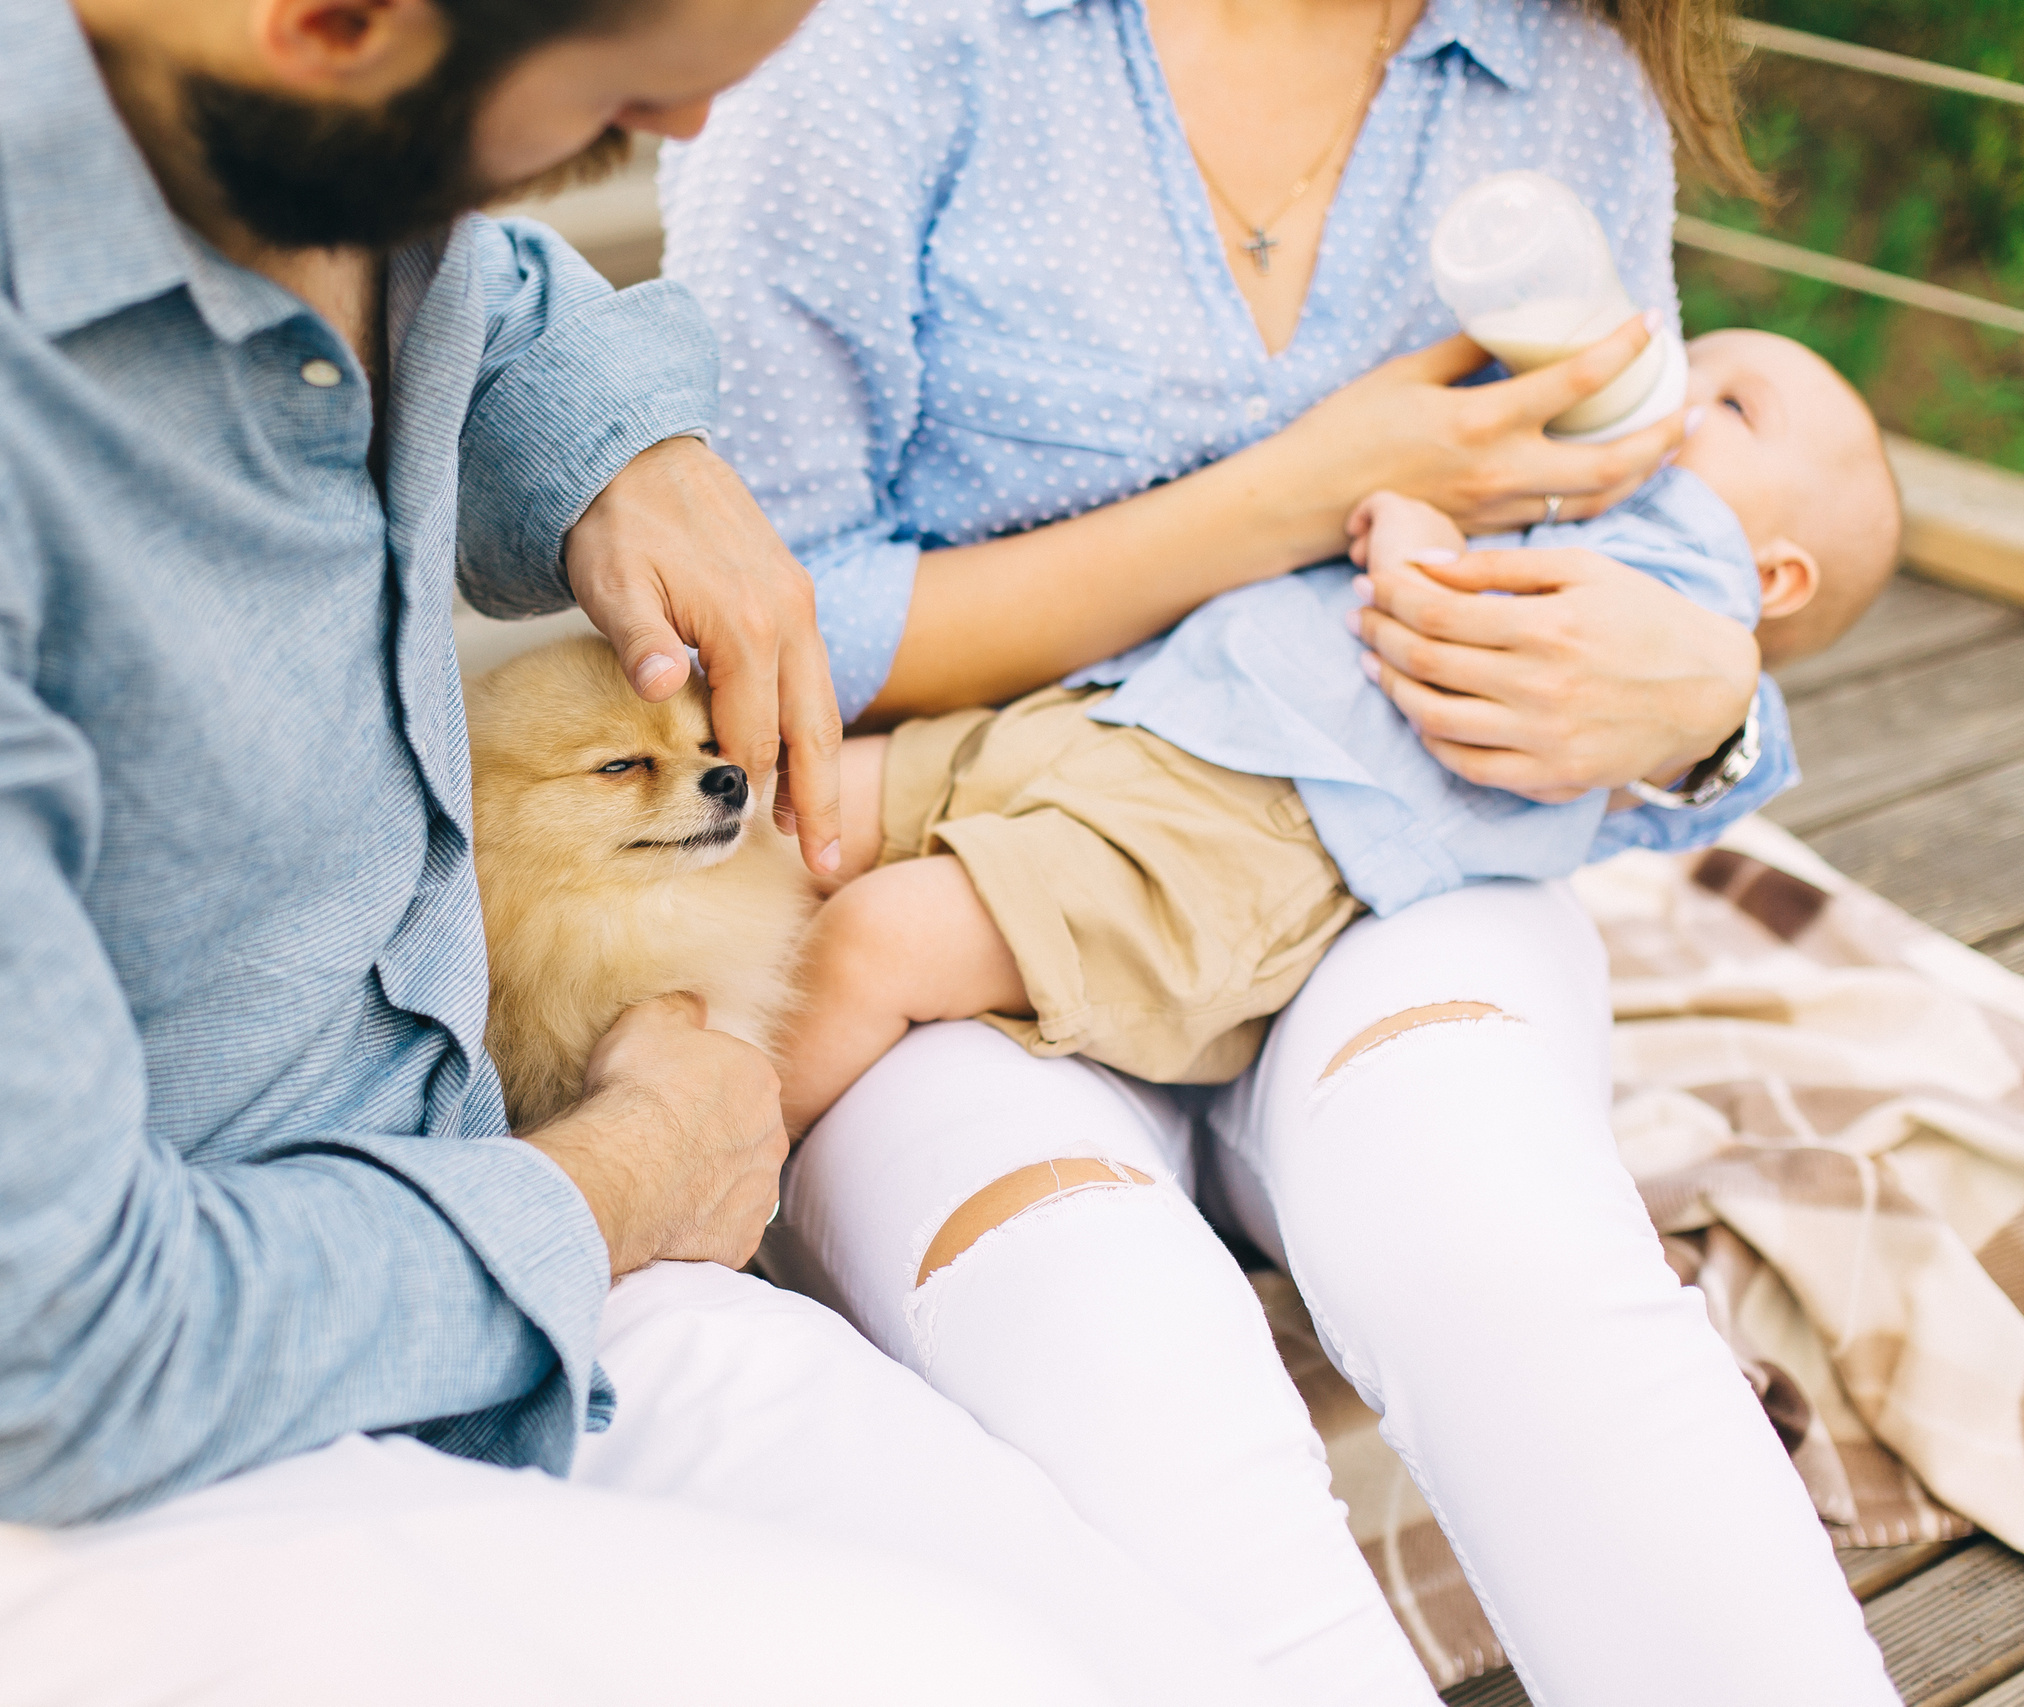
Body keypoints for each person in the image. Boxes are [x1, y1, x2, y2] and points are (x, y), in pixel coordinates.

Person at [0, 0, 1289, 1701]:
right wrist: (622, 1179)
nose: (691, 127)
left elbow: (474, 273)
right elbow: (34, 1362)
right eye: (620, 100)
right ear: (332, 25)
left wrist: (609, 435)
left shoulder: (282, 109)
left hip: (477, 1274)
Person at [662, 0, 1908, 1699]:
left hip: (1388, 857)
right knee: (1106, 1345)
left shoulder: (1563, 67)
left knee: (1498, 1236)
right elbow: (763, 632)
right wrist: (1297, 493)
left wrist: (1706, 706)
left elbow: (1651, 536)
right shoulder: (873, 46)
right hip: (984, 821)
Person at [780, 327, 1901, 1122]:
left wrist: (1414, 531)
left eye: (1734, 407)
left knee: (878, 937)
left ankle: (727, 1174)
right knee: (798, 812)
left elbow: (1462, 630)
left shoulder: (1679, 580)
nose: (1678, 388)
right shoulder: (1590, 492)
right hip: (1139, 714)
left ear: (1776, 576)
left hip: (1237, 838)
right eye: (1692, 358)